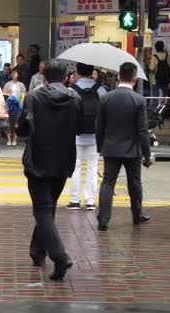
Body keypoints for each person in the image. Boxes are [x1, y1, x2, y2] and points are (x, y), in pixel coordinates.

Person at [16, 60, 80, 281]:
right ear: (65, 78)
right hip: (63, 161)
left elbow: (23, 127)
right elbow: (81, 126)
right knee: (47, 208)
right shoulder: (74, 98)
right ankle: (37, 252)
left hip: (38, 160)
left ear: (44, 76)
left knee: (43, 210)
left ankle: (59, 256)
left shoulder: (34, 97)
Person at [96, 62, 152, 231]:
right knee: (134, 182)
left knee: (107, 183)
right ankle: (137, 215)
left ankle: (104, 219)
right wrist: (147, 153)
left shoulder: (106, 98)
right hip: (132, 149)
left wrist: (100, 147)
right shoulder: (139, 100)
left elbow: (99, 125)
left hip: (111, 147)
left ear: (119, 76)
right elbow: (142, 129)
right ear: (134, 78)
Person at [66, 63, 100, 211]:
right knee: (93, 168)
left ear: (77, 72)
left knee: (75, 167)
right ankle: (90, 201)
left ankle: (74, 200)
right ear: (92, 72)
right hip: (95, 136)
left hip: (75, 136)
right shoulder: (101, 90)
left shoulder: (70, 90)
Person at [3, 70, 27, 146]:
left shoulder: (21, 85)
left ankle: (15, 140)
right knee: (8, 123)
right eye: (12, 73)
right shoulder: (7, 84)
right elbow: (4, 94)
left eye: (15, 73)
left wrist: (21, 104)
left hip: (18, 105)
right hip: (9, 104)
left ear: (18, 75)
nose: (13, 74)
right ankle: (9, 139)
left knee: (16, 123)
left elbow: (24, 95)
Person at [149, 41, 170, 107]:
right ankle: (165, 111)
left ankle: (155, 111)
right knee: (165, 95)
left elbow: (152, 68)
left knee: (155, 96)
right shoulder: (168, 56)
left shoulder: (154, 57)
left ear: (156, 48)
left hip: (156, 80)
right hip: (166, 79)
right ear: (163, 47)